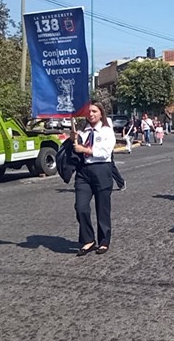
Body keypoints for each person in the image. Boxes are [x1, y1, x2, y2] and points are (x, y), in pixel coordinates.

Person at [72, 102, 116, 256]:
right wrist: (73, 140)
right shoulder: (83, 130)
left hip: (101, 169)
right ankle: (88, 240)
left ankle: (104, 241)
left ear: (101, 113)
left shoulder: (106, 130)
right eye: (88, 112)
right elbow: (75, 150)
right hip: (83, 172)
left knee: (102, 208)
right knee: (81, 207)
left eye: (94, 111)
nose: (91, 114)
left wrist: (84, 149)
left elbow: (105, 152)